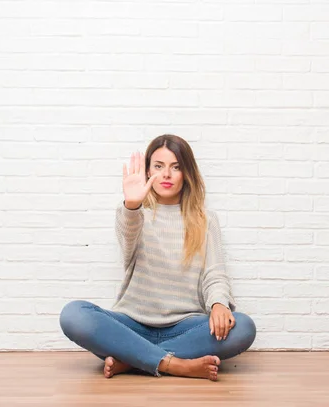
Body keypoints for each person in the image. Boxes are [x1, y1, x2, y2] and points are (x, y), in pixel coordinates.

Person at [59, 134, 256, 381]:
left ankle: (134, 360)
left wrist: (219, 304)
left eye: (176, 167)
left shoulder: (206, 219)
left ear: (187, 173)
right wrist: (132, 205)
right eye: (159, 166)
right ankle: (177, 365)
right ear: (148, 171)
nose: (166, 174)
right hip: (131, 325)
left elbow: (214, 273)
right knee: (74, 314)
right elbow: (128, 238)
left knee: (244, 326)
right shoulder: (135, 213)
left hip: (186, 326)